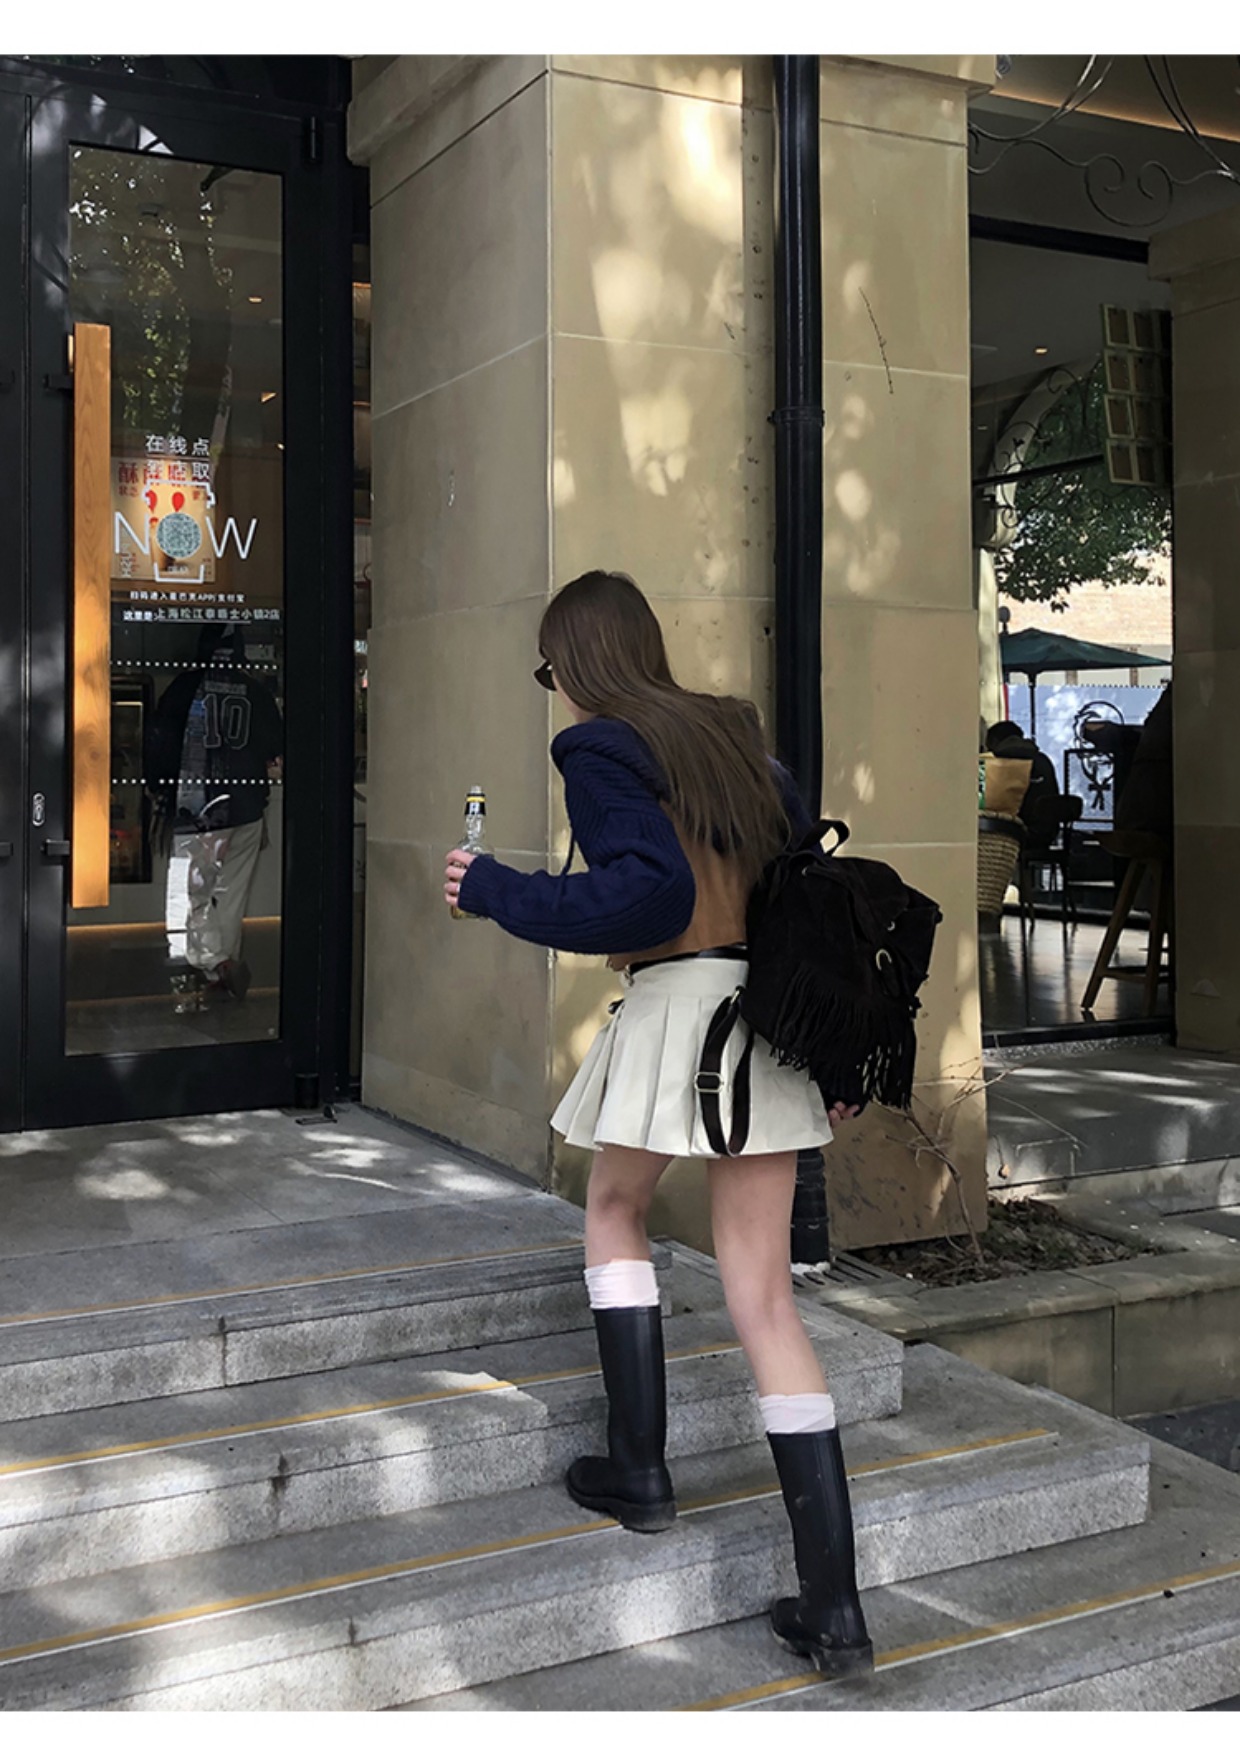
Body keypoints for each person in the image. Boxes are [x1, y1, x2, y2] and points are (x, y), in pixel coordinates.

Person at [442, 570, 873, 1684]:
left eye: (549, 669)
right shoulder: (740, 746)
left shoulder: (600, 746)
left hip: (684, 1006)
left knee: (614, 1205)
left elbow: (645, 898)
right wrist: (832, 1053)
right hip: (768, 1019)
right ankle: (836, 1609)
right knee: (764, 1297)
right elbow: (801, 903)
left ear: (577, 663)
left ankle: (638, 1469)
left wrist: (493, 888)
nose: (553, 690)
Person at [145, 625, 284, 1006]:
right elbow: (274, 748)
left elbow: (159, 743)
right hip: (247, 808)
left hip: (199, 809)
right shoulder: (256, 690)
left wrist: (156, 786)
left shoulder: (184, 688)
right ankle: (221, 962)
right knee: (232, 892)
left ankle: (213, 962)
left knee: (195, 892)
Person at [985, 719, 1061, 849]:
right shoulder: (1042, 761)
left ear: (994, 742)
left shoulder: (989, 763)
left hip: (1005, 835)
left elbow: (982, 805)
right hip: (1045, 834)